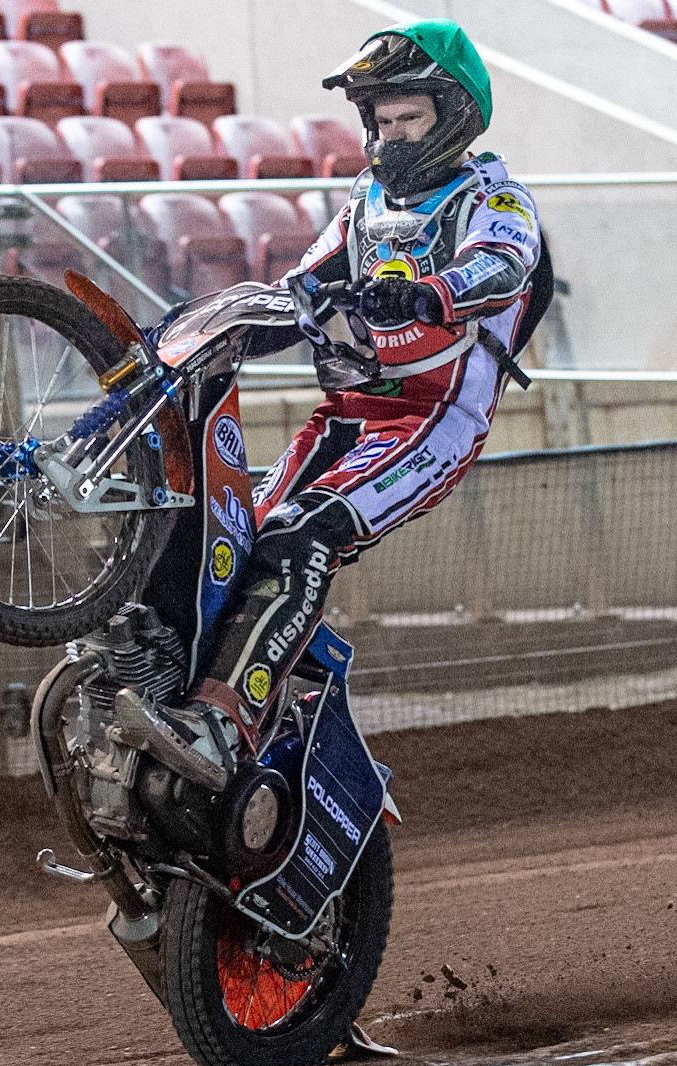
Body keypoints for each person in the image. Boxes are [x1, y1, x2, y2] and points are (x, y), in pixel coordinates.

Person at [117, 19, 550, 778]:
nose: (391, 134)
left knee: (300, 538)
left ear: (454, 115)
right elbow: (303, 289)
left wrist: (429, 292)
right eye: (380, 119)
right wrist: (225, 330)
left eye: (409, 117)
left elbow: (503, 268)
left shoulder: (496, 197)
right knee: (232, 537)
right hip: (344, 414)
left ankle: (222, 724)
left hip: (431, 421)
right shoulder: (366, 202)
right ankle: (150, 667)